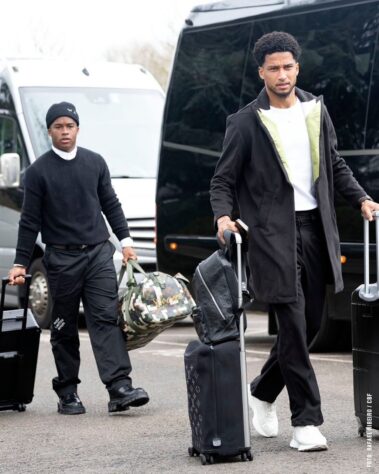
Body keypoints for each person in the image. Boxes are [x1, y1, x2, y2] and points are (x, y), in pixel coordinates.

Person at [210, 31, 379, 452]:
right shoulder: (246, 121)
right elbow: (223, 180)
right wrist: (223, 216)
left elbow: (335, 163)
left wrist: (361, 198)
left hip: (315, 229)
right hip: (269, 235)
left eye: (288, 67)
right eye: (273, 68)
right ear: (261, 72)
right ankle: (306, 422)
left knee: (312, 324)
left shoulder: (315, 111)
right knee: (292, 322)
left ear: (297, 68)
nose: (282, 74)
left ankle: (262, 392)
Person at [8, 102, 149, 415]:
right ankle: (68, 391)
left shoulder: (94, 162)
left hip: (99, 253)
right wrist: (20, 263)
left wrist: (126, 242)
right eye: (58, 127)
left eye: (69, 126)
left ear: (77, 128)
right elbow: (29, 221)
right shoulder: (38, 172)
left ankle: (119, 387)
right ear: (49, 131)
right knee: (64, 326)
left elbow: (110, 204)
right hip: (61, 259)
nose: (64, 132)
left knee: (104, 319)